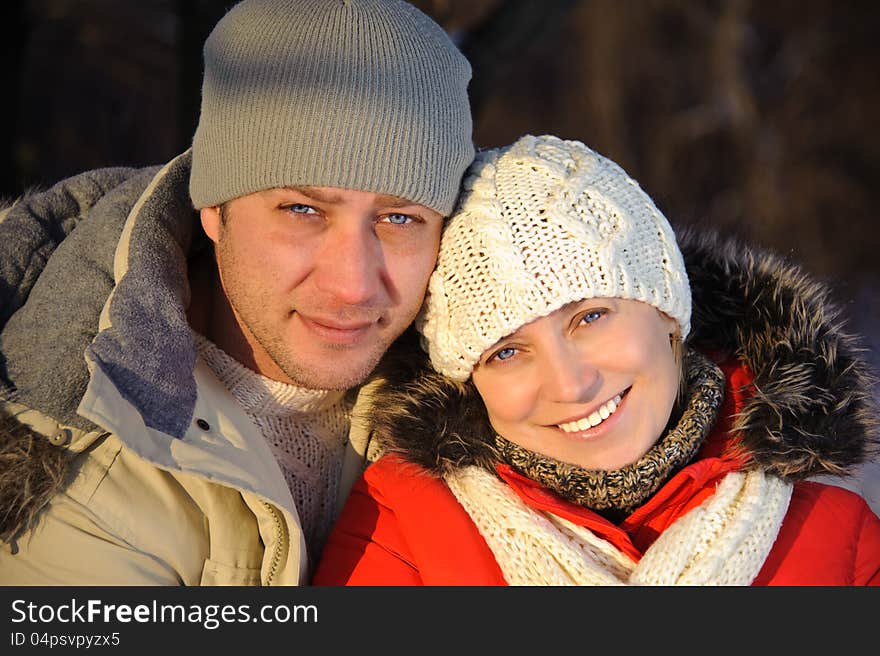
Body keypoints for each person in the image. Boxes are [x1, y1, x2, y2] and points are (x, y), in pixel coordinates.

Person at [0, 0, 474, 585]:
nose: (352, 283)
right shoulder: (85, 483)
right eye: (303, 210)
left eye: (400, 219)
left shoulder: (503, 389)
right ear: (213, 210)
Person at [312, 134, 880, 585]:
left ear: (666, 311)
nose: (571, 383)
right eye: (507, 351)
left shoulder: (839, 536)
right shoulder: (405, 522)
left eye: (589, 318)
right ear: (468, 383)